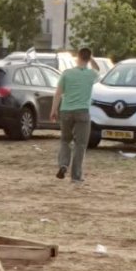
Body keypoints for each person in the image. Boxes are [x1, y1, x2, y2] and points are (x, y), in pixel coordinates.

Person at [51, 46, 100, 184]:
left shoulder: (67, 73)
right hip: (82, 112)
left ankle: (63, 165)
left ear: (77, 57)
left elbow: (58, 93)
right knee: (80, 144)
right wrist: (91, 59)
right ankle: (76, 176)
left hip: (66, 111)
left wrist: (53, 110)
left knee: (65, 140)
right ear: (88, 58)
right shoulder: (91, 74)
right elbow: (98, 70)